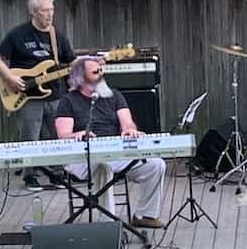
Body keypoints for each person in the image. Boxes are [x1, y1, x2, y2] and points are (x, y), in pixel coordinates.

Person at [55, 56, 166, 229]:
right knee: (102, 166)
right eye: (95, 71)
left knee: (155, 164)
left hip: (113, 153)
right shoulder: (68, 101)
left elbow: (127, 122)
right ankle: (107, 223)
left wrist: (129, 129)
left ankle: (145, 215)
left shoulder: (114, 95)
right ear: (80, 77)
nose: (101, 74)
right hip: (81, 158)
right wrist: (77, 135)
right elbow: (63, 135)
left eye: (101, 70)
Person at [0, 0, 76, 191]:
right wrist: (10, 78)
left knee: (58, 135)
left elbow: (71, 61)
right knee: (30, 135)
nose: (50, 14)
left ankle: (57, 174)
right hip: (26, 96)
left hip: (54, 94)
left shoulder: (57, 36)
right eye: (45, 10)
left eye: (52, 10)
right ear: (34, 12)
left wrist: (86, 65)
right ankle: (30, 176)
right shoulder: (17, 34)